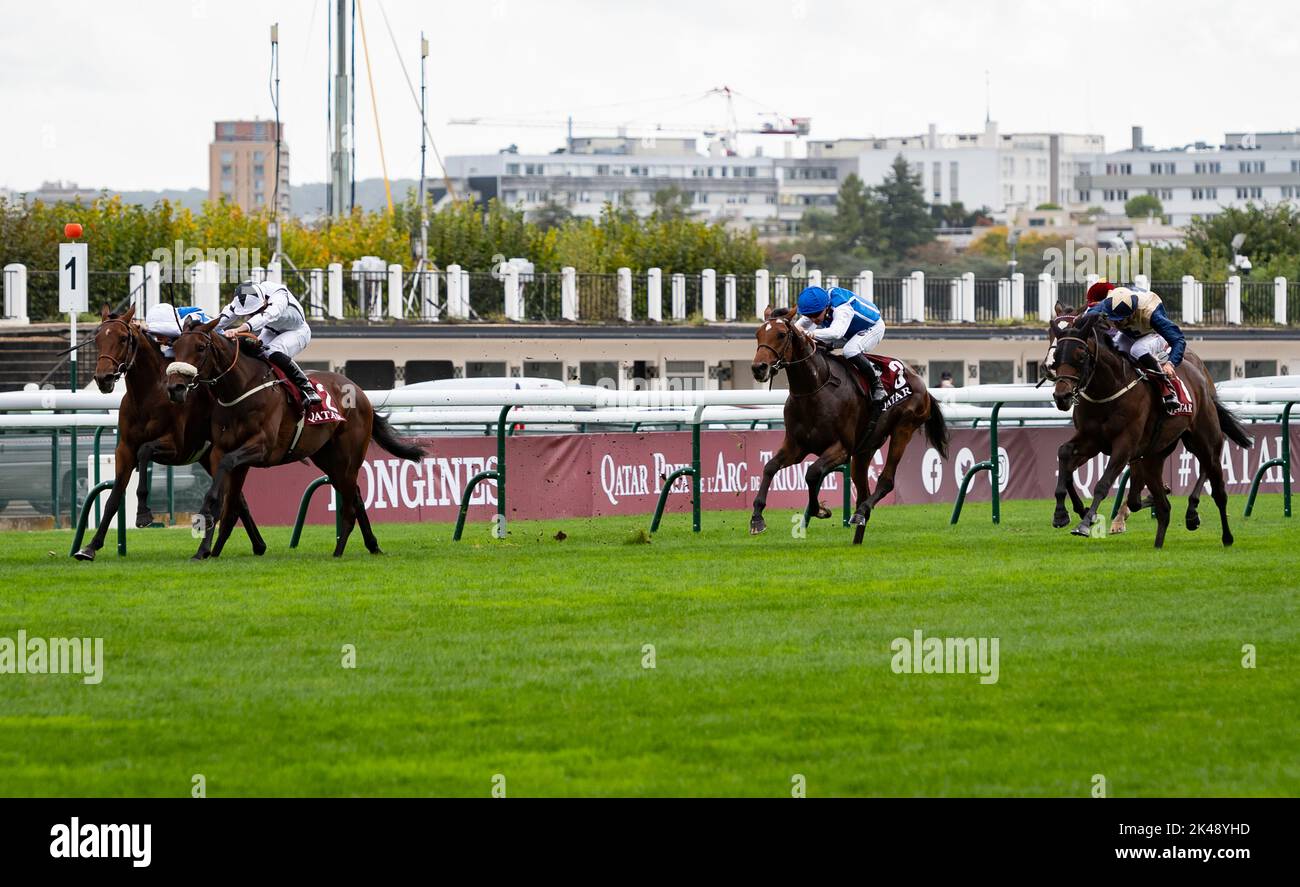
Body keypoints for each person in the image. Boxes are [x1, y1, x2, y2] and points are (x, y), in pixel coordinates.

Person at [1083, 280, 1185, 413]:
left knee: (1138, 349)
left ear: (1132, 312)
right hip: (1131, 334)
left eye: (1120, 319)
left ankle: (1166, 389)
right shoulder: (1110, 302)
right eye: (1113, 318)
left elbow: (1178, 339)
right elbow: (1088, 315)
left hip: (1154, 334)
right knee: (1113, 349)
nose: (1116, 323)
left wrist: (1171, 363)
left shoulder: (1152, 314)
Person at [215, 280, 321, 407]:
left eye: (256, 311)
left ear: (264, 300)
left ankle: (307, 388)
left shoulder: (279, 294)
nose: (252, 315)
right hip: (271, 330)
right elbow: (222, 319)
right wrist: (203, 329)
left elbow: (267, 316)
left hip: (297, 331)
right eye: (250, 314)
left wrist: (237, 330)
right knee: (249, 350)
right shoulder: (243, 296)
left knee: (272, 351)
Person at [793, 285, 886, 403]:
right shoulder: (818, 307)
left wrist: (809, 333)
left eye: (816, 315)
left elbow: (836, 333)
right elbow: (796, 329)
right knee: (815, 343)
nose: (813, 319)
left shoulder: (842, 307)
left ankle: (877, 386)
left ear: (826, 307)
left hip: (872, 328)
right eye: (809, 315)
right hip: (847, 332)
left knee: (850, 350)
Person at [144, 303, 209, 358]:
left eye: (160, 334)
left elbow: (180, 330)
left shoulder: (193, 316)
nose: (158, 339)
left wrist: (147, 328)